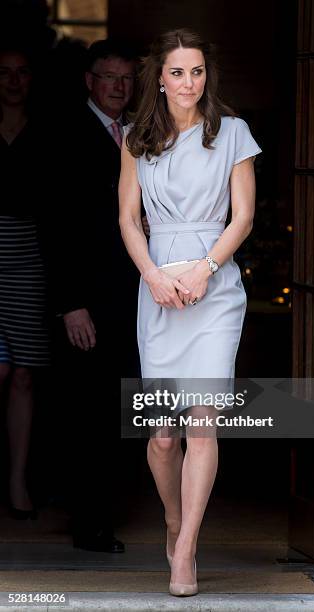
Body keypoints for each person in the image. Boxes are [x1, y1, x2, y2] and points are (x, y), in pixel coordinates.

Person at [119, 29, 261, 595]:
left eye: (197, 71)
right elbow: (129, 220)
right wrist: (153, 275)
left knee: (202, 425)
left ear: (208, 76)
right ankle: (173, 518)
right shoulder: (135, 137)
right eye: (177, 72)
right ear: (159, 78)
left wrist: (205, 269)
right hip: (156, 287)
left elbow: (243, 217)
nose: (188, 82)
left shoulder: (233, 133)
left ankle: (186, 550)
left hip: (215, 286)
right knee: (161, 435)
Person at [52, 39, 140, 553]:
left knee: (122, 406)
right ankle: (89, 522)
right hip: (86, 299)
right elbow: (57, 226)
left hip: (135, 295)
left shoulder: (140, 133)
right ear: (90, 81)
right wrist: (70, 303)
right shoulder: (64, 133)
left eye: (126, 78)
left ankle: (104, 510)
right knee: (86, 410)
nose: (118, 87)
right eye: (109, 77)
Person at [0, 47, 50, 519]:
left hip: (31, 255)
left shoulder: (48, 128)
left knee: (24, 374)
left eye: (22, 71)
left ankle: (17, 480)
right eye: (5, 73)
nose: (14, 81)